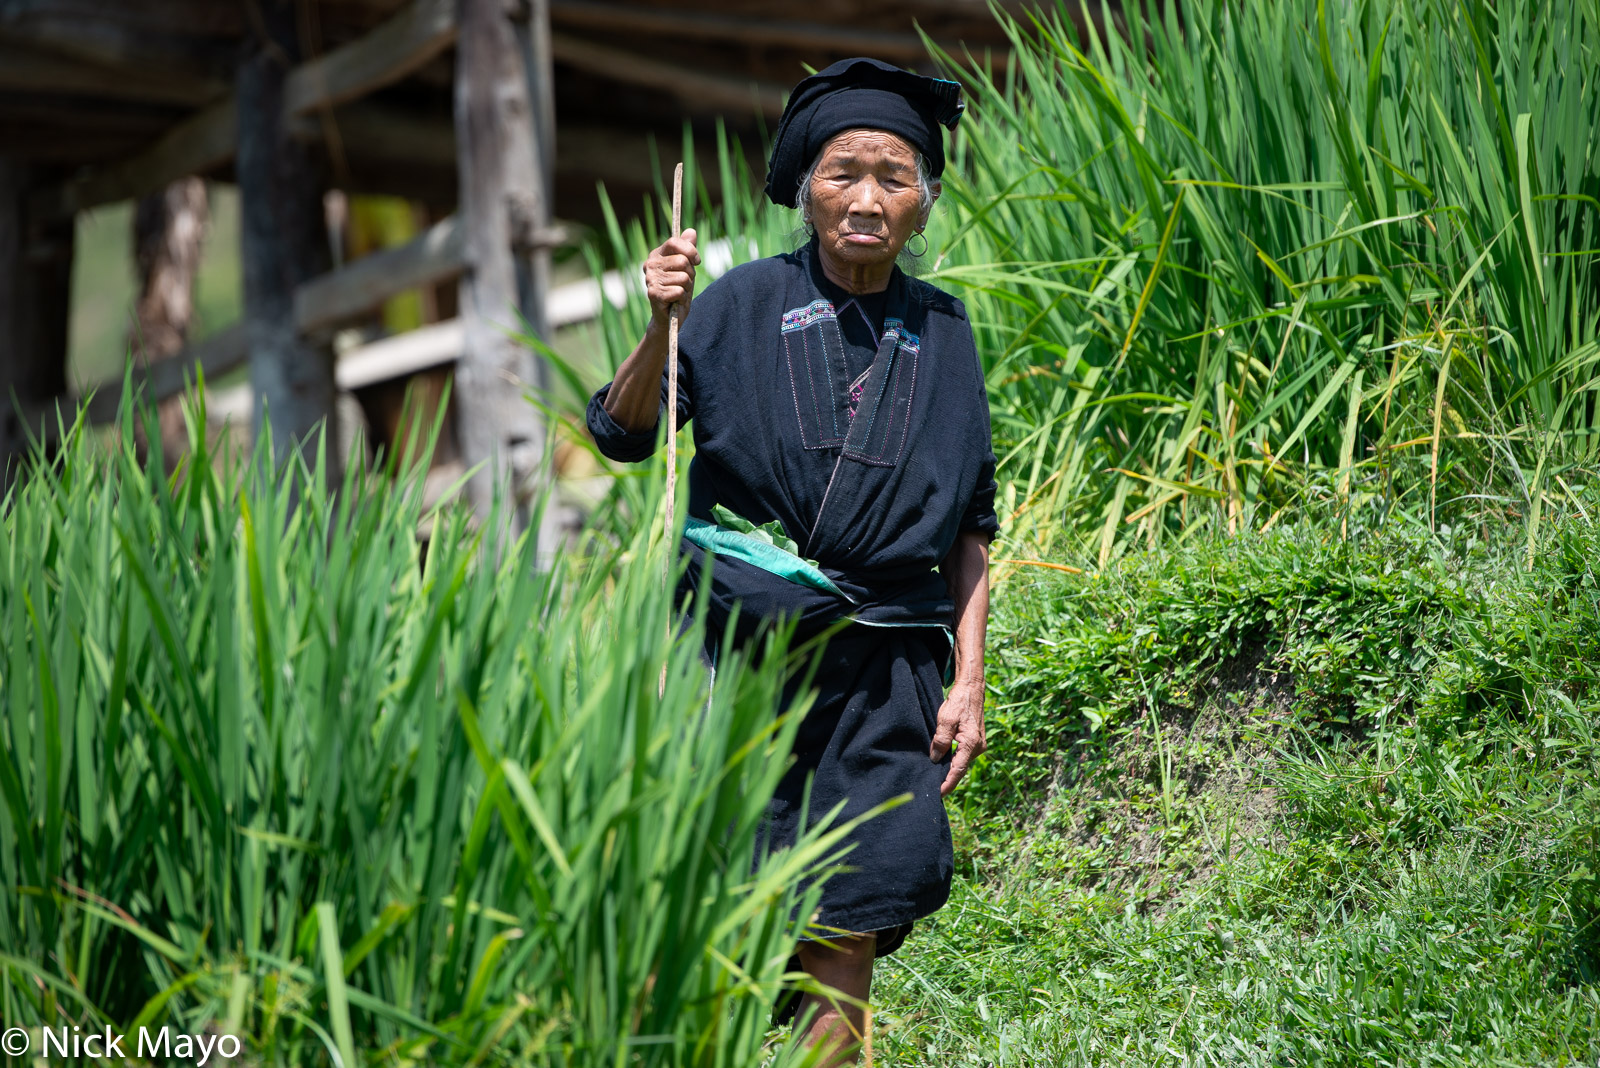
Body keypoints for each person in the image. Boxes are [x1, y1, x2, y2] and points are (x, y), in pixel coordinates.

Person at [586, 57, 997, 1067]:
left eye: (895, 177)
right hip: (744, 665)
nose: (867, 199)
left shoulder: (944, 329)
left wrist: (971, 678)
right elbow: (625, 432)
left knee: (851, 911)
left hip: (887, 673)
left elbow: (970, 524)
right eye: (843, 174)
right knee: (725, 895)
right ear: (804, 187)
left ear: (924, 202)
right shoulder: (732, 304)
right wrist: (657, 321)